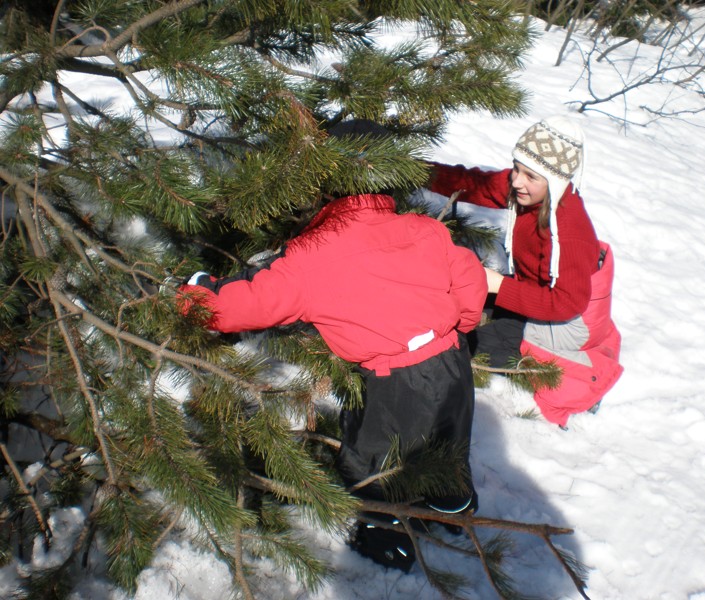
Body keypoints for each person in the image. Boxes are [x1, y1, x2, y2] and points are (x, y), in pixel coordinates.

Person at [178, 120, 487, 572]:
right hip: (451, 362)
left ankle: (389, 539)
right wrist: (459, 324)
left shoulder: (313, 254)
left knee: (373, 461)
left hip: (390, 383)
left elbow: (256, 301)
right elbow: (469, 277)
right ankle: (455, 508)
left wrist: (199, 299)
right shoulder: (423, 229)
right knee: (449, 441)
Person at [427, 116, 623, 429]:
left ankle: (571, 374)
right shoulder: (528, 190)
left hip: (566, 322)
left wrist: (499, 286)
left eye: (530, 175)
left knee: (470, 345)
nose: (517, 180)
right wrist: (416, 172)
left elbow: (566, 303)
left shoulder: (569, 230)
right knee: (459, 300)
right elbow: (475, 184)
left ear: (555, 181)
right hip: (537, 298)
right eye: (516, 168)